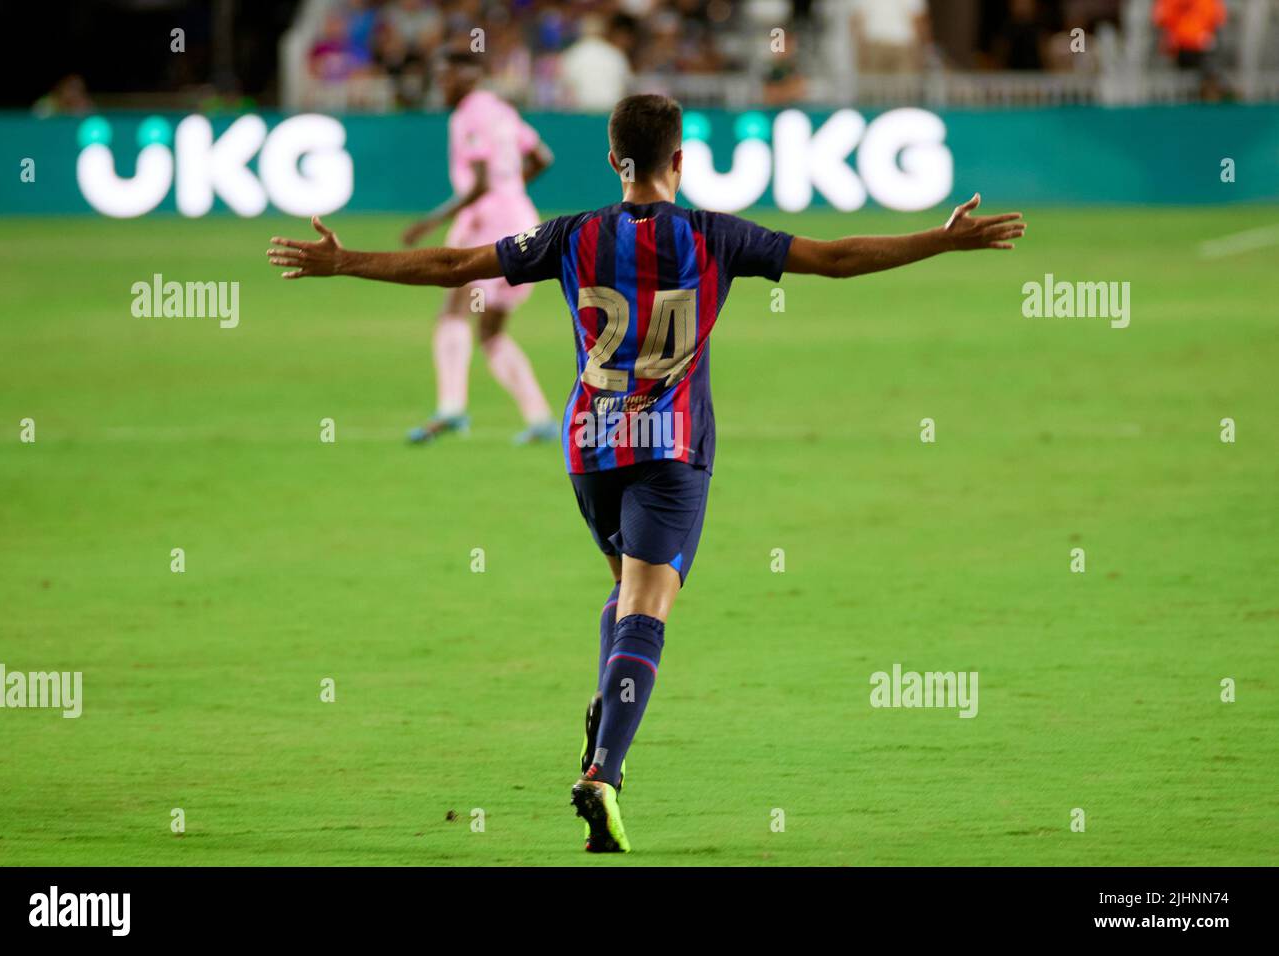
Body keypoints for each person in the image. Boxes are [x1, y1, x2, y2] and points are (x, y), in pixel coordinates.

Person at [266, 94, 1026, 853]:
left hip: (591, 447)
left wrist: (346, 262)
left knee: (625, 589)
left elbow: (456, 266)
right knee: (647, 608)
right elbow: (834, 259)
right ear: (681, 161)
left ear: (611, 160)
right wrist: (941, 240)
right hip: (670, 449)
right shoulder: (715, 235)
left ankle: (605, 711)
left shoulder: (570, 235)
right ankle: (604, 770)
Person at [401, 51, 559, 445]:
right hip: (523, 222)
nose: (443, 84)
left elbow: (482, 183)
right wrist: (514, 187)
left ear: (467, 78)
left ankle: (452, 408)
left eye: (448, 76)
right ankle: (540, 419)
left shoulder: (467, 115)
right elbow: (542, 157)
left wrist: (431, 221)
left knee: (454, 309)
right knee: (490, 331)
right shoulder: (502, 111)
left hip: (487, 223)